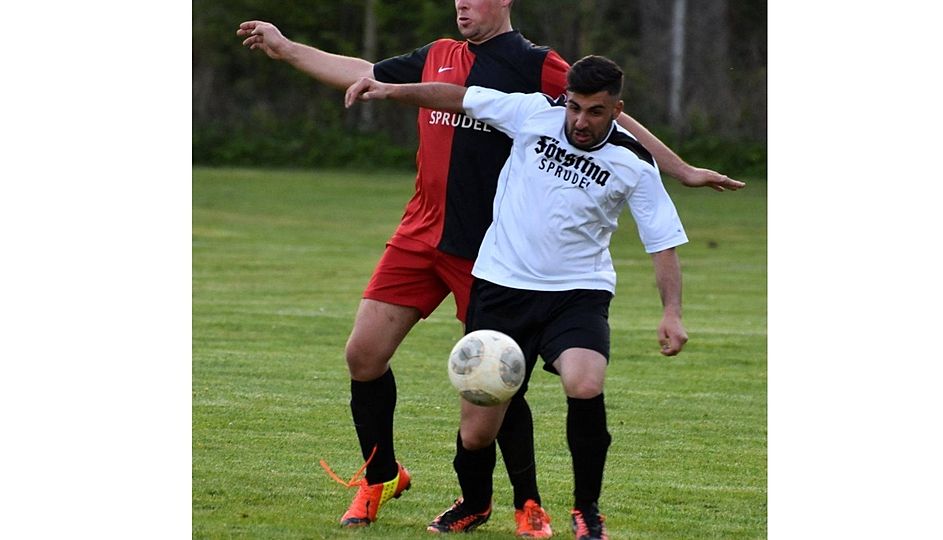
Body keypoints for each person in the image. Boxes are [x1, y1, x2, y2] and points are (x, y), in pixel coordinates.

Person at [238, 1, 740, 536]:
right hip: (421, 231)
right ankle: (381, 476)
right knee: (363, 355)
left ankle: (528, 502)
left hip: (485, 246)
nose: (462, 2)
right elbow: (367, 74)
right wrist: (287, 49)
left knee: (497, 377)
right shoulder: (437, 54)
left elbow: (603, 114)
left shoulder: (535, 64)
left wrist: (678, 168)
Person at [345, 54, 687, 540]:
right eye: (574, 107)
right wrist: (391, 90)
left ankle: (587, 512)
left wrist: (672, 312)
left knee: (585, 383)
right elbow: (457, 96)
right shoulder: (532, 113)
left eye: (594, 111)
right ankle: (475, 503)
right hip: (501, 288)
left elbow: (663, 243)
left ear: (617, 109)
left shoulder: (633, 161)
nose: (580, 121)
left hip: (577, 293)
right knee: (478, 430)